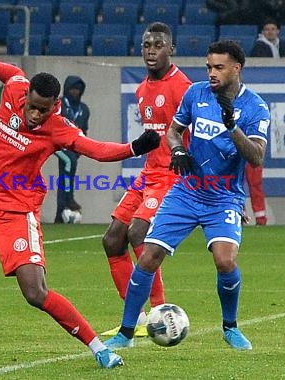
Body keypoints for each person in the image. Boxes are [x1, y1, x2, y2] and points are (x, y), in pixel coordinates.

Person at [0, 42, 161, 371]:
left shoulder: (58, 128)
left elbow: (96, 149)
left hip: (18, 217)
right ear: (25, 97)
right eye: (33, 107)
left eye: (44, 109)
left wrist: (135, 147)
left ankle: (99, 349)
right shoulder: (15, 89)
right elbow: (11, 73)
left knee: (35, 293)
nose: (36, 115)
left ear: (56, 105)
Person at [105, 40, 270, 352]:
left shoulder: (255, 107)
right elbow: (172, 131)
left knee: (225, 260)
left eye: (219, 67)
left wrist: (232, 127)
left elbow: (257, 157)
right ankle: (127, 332)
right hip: (186, 192)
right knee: (149, 254)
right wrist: (178, 149)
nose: (211, 73)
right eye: (209, 67)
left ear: (236, 69)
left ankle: (230, 327)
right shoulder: (195, 93)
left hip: (223, 198)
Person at [101, 22, 192, 336]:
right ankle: (137, 317)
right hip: (148, 174)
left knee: (139, 233)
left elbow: (199, 135)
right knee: (112, 239)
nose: (151, 51)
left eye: (158, 45)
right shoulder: (142, 89)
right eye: (146, 46)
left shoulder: (183, 87)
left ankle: (159, 312)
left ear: (171, 48)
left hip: (171, 175)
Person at [54, 75, 90, 223]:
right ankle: (69, 199)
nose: (75, 92)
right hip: (56, 143)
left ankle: (60, 214)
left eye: (78, 90)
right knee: (69, 162)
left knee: (66, 173)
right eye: (72, 89)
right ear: (67, 89)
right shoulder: (59, 104)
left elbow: (84, 130)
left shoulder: (84, 109)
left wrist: (80, 149)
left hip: (74, 146)